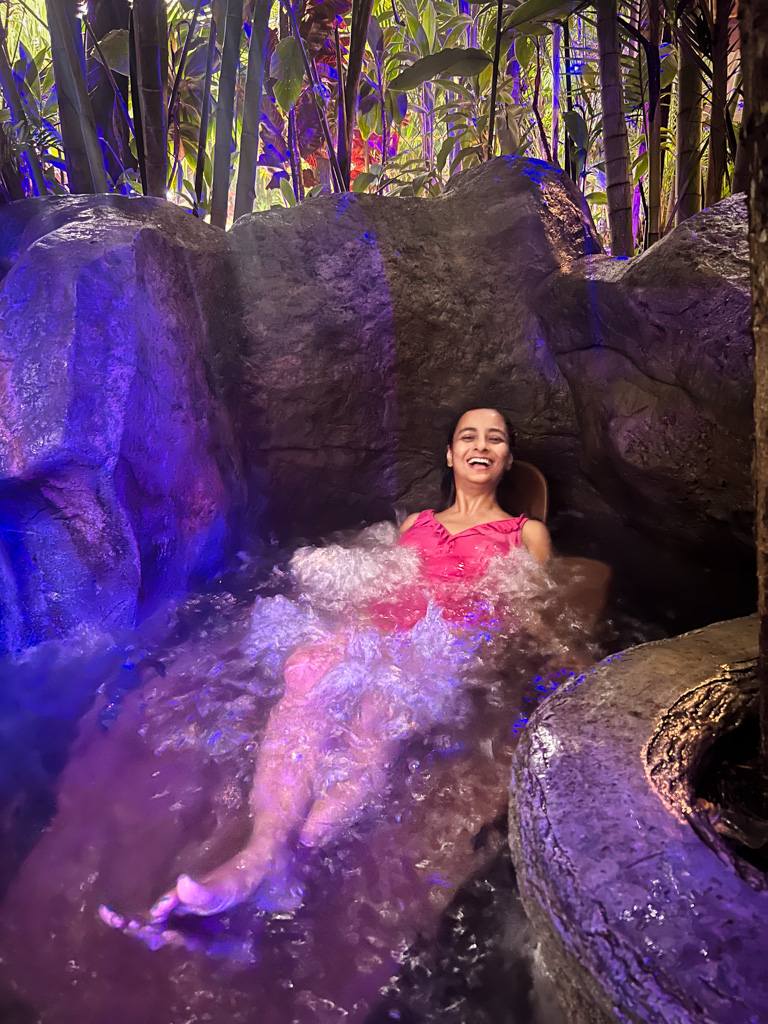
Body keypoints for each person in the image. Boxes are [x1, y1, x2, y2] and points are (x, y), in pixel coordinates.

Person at [99, 407, 552, 941]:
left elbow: (525, 613)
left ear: (507, 459)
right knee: (307, 667)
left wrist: (511, 658)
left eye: (495, 438)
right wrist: (346, 626)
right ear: (450, 456)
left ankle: (303, 853)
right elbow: (383, 586)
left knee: (378, 706)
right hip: (382, 627)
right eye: (467, 436)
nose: (481, 444)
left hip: (446, 642)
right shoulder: (415, 525)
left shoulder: (528, 534)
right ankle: (262, 852)